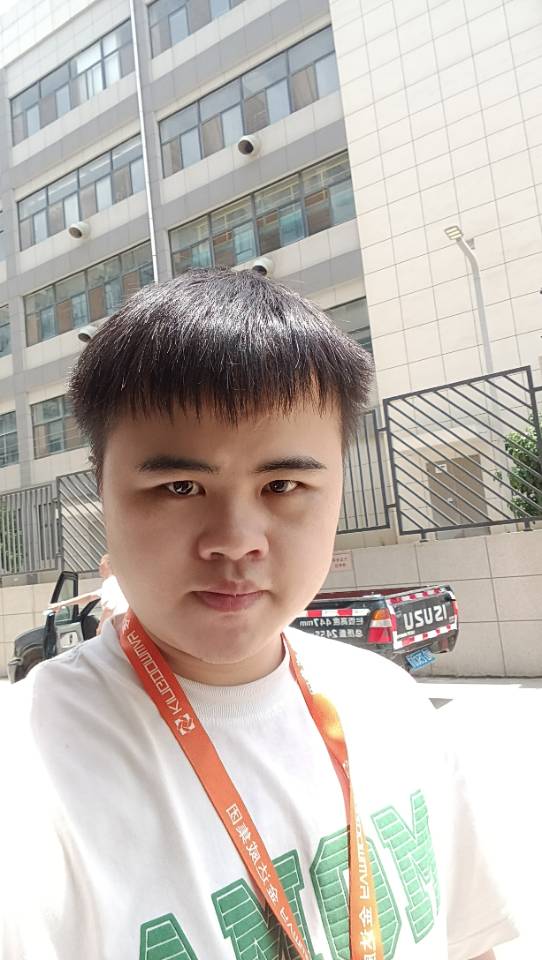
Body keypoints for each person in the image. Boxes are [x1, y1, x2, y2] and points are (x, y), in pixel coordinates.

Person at [0, 269, 517, 960]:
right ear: (103, 491)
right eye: (179, 487)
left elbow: (468, 944)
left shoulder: (387, 700)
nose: (236, 540)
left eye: (283, 484)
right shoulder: (25, 778)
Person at [48, 553, 128, 633]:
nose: (99, 566)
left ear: (109, 564)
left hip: (118, 629)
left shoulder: (110, 582)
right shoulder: (116, 582)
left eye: (101, 563)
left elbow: (109, 608)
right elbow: (89, 597)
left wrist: (100, 629)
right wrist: (62, 604)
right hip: (124, 627)